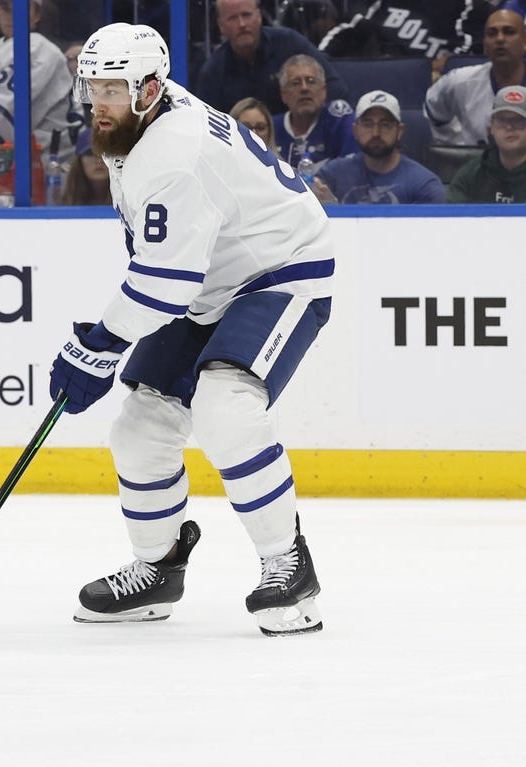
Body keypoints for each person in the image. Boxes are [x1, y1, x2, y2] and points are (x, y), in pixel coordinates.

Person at [52, 22, 333, 636]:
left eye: (112, 90)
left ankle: (290, 565)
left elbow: (163, 285)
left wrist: (97, 344)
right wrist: (103, 343)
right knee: (140, 428)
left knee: (226, 407)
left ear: (151, 88)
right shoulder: (141, 122)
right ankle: (158, 569)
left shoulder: (171, 154)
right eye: (91, 88)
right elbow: (168, 271)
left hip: (280, 270)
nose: (98, 104)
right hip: (211, 281)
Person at [0, 0, 74, 187]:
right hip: (19, 169)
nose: (11, 16)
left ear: (37, 14)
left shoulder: (37, 49)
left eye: (18, 9)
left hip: (48, 175)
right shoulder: (0, 47)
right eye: (5, 8)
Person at [195, 0, 349, 115]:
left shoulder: (289, 43)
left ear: (259, 17)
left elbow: (336, 90)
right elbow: (205, 125)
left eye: (246, 15)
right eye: (233, 18)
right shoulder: (213, 72)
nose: (241, 24)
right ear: (221, 26)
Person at [313, 90, 446, 204]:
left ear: (399, 131)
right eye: (367, 124)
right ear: (355, 130)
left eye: (385, 124)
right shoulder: (333, 175)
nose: (375, 133)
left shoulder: (424, 185)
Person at [424, 9, 526, 146]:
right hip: (478, 164)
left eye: (509, 32)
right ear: (484, 44)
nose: (500, 39)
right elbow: (433, 108)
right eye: (492, 33)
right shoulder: (459, 81)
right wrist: (455, 146)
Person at [319, 0, 489, 62]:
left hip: (436, 89)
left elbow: (474, 52)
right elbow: (346, 31)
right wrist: (317, 60)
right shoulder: (380, 3)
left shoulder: (469, 7)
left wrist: (441, 68)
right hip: (379, 80)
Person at [273, 53, 357, 171]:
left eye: (311, 81)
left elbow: (350, 170)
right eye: (295, 83)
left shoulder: (338, 118)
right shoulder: (271, 127)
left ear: (324, 90)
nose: (304, 88)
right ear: (283, 95)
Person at [447, 85, 526, 202]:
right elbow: (453, 217)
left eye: (518, 120)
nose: (509, 127)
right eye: (502, 120)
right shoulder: (471, 175)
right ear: (491, 128)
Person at [61, 127, 112, 205]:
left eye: (105, 154)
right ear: (79, 162)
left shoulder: (128, 199)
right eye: (91, 154)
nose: (99, 161)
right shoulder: (65, 200)